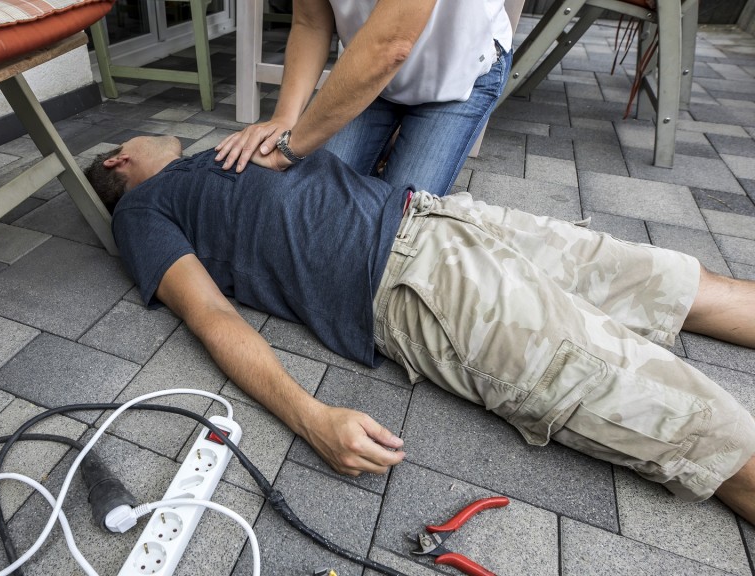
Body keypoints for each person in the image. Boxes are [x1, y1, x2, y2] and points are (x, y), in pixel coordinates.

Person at [85, 135, 755, 524]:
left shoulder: (216, 155)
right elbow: (212, 317)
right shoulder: (141, 212)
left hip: (440, 215)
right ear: (119, 162)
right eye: (135, 138)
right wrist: (310, 416)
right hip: (415, 285)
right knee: (704, 434)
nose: (148, 135)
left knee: (680, 283)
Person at [213, 0, 512, 197]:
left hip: (457, 71)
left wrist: (289, 150)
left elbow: (391, 46)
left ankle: (399, 135)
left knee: (392, 223)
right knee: (311, 196)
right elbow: (311, 22)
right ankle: (393, 134)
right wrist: (285, 119)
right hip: (372, 79)